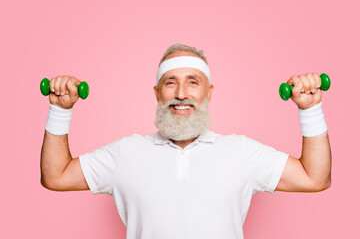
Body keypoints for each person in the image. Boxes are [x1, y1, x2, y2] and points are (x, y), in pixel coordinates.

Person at [40, 43, 331, 239]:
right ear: (157, 94)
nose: (181, 93)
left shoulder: (240, 151)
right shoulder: (126, 152)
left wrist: (310, 110)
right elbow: (56, 176)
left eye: (193, 81)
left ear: (209, 92)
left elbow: (314, 177)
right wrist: (60, 111)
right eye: (170, 82)